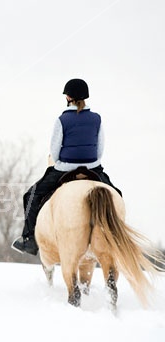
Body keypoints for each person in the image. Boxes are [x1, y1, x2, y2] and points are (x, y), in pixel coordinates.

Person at [12, 78, 121, 255]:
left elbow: (54, 152)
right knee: (116, 195)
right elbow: (100, 149)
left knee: (31, 196)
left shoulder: (62, 120)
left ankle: (30, 239)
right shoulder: (97, 119)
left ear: (68, 97)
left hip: (65, 168)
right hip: (93, 168)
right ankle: (116, 237)